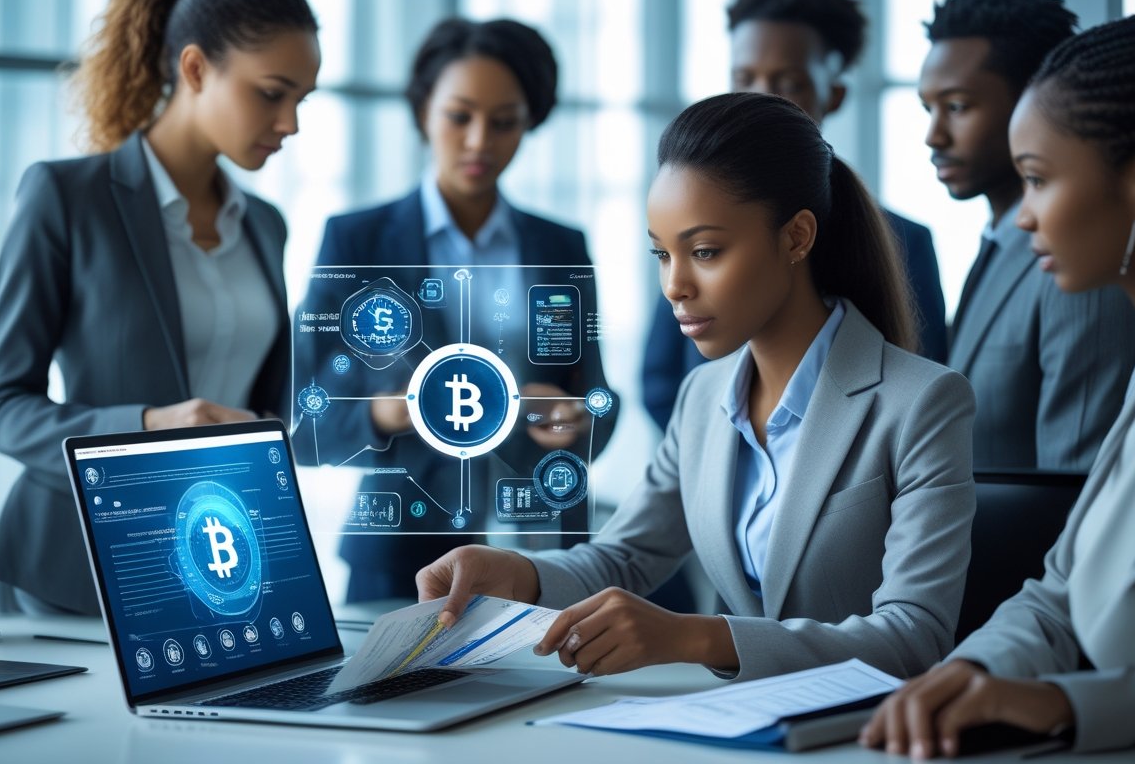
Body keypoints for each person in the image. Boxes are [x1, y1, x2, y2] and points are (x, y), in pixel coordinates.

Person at [417, 92, 976, 682]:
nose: (675, 285)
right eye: (662, 253)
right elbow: (625, 556)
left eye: (704, 251)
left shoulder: (923, 403)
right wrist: (514, 573)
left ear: (796, 238)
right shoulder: (703, 397)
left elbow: (915, 633)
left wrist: (693, 636)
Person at [862, 14, 1135, 758]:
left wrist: (1065, 702)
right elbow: (1061, 586)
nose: (1024, 213)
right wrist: (970, 671)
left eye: (1038, 178)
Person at [0, 0, 320, 615]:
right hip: (72, 570)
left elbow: (270, 413)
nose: (290, 125)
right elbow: (4, 409)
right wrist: (151, 427)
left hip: (214, 566)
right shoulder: (66, 198)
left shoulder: (266, 227)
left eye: (301, 101)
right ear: (195, 69)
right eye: (271, 93)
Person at [297, 18, 616, 602]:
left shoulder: (560, 247)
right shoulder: (359, 243)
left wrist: (579, 419)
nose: (479, 142)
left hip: (544, 548)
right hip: (403, 553)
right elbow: (302, 420)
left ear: (531, 122)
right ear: (423, 112)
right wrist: (387, 413)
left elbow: (596, 394)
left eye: (505, 123)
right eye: (459, 116)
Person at [642, 0, 947, 431]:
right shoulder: (692, 219)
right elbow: (661, 378)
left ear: (835, 94)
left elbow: (916, 385)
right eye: (744, 77)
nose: (761, 97)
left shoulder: (903, 240)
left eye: (789, 82)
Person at [919, 0, 1135, 471]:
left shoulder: (1080, 265)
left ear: (1034, 99)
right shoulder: (997, 244)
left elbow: (1075, 489)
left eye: (957, 107)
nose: (933, 135)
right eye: (928, 108)